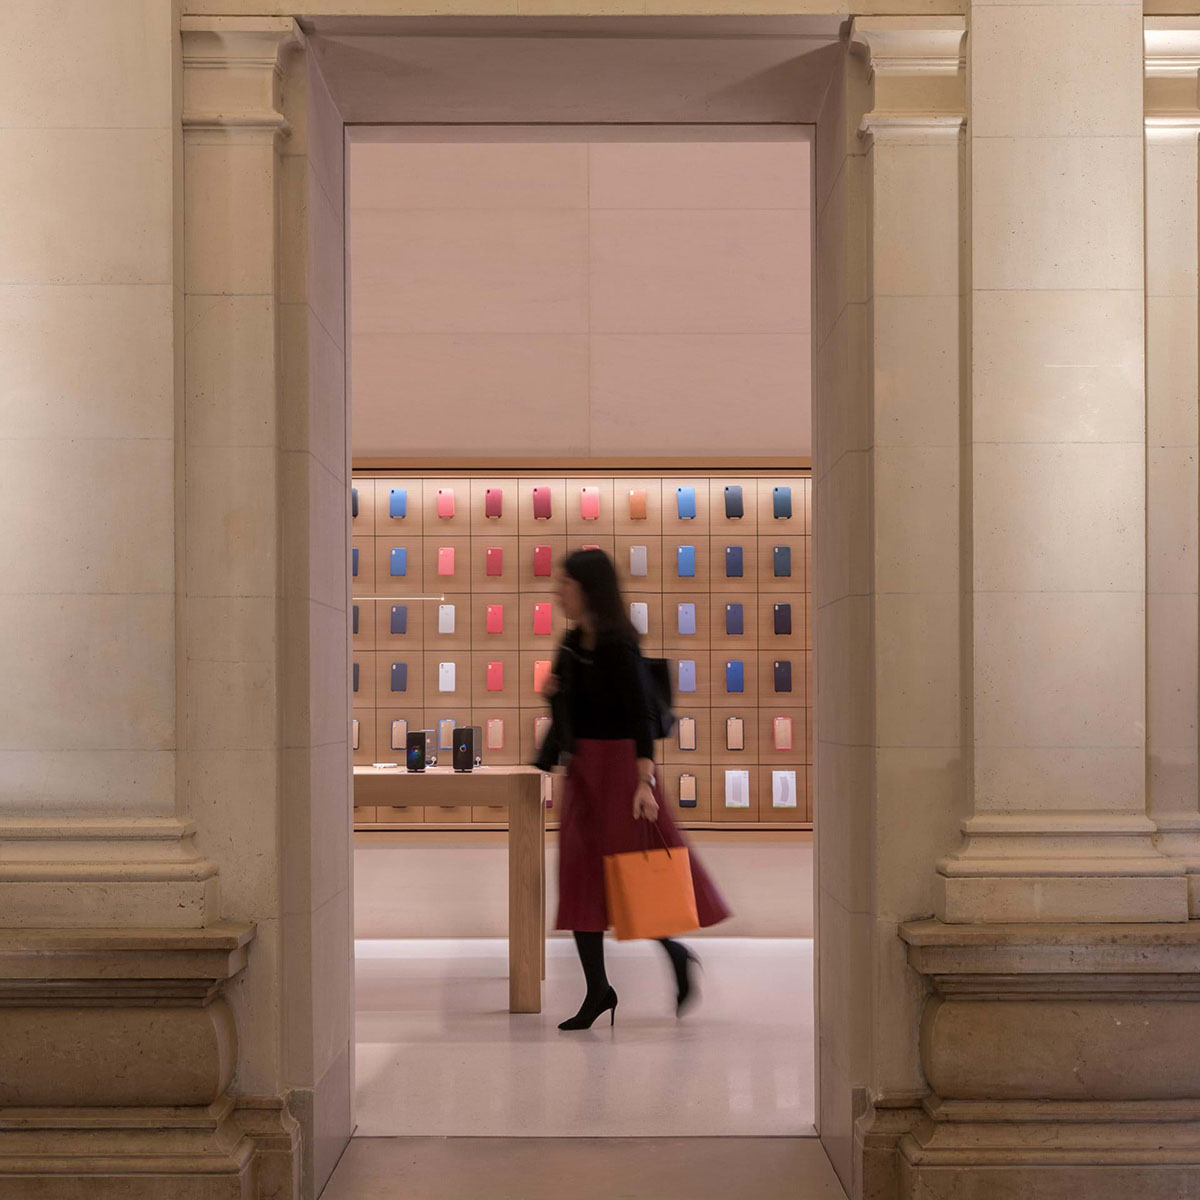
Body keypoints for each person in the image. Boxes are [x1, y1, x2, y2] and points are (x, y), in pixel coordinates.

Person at [535, 548, 731, 1030]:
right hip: (583, 771)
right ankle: (598, 991)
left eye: (566, 583)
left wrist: (645, 782)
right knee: (579, 878)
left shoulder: (619, 641)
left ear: (587, 589)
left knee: (635, 877)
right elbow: (563, 711)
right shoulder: (570, 642)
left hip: (623, 771)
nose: (558, 591)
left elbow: (642, 713)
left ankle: (676, 954)